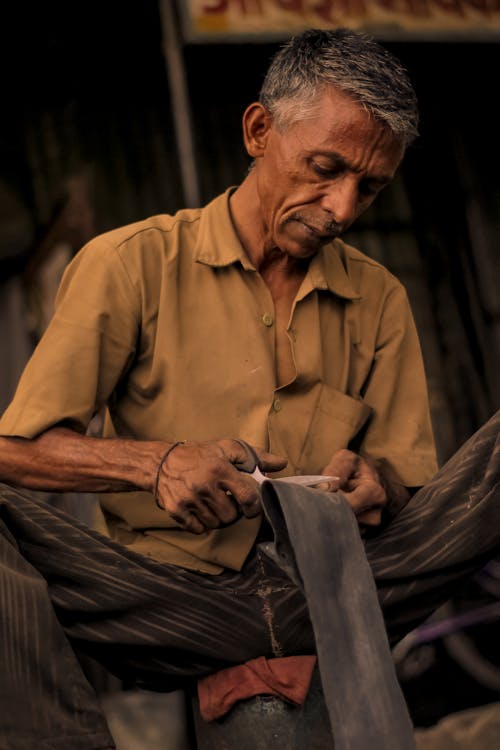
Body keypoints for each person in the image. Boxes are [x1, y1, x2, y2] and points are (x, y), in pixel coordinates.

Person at [0, 27, 498, 750]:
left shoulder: (380, 297)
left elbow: (410, 488)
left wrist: (378, 486)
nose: (343, 209)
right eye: (324, 169)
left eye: (371, 187)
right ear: (259, 130)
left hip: (334, 587)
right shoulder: (132, 264)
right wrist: (155, 463)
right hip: (166, 599)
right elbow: (15, 450)